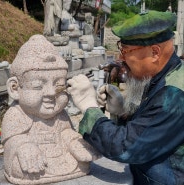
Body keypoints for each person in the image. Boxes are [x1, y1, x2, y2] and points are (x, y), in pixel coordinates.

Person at [67, 10, 184, 185]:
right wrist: (121, 112)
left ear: (155, 53)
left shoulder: (175, 96)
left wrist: (88, 107)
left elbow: (126, 147)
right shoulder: (163, 76)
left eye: (126, 50)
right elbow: (146, 128)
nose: (121, 58)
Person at [1, 35, 99, 185]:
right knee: (20, 168)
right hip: (32, 162)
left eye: (59, 85)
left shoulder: (61, 114)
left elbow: (66, 132)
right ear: (15, 88)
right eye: (38, 86)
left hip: (60, 156)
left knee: (82, 161)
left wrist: (74, 142)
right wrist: (23, 146)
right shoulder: (16, 114)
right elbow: (11, 141)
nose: (51, 93)